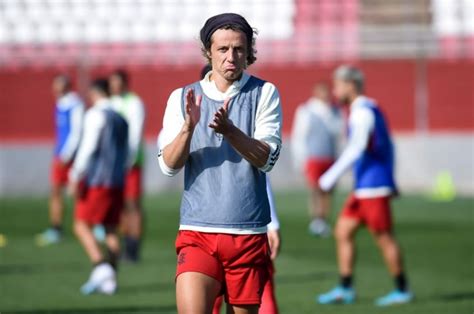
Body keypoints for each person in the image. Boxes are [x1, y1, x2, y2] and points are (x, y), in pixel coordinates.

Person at [158, 13, 282, 314]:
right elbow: (169, 166)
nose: (231, 57)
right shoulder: (182, 97)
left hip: (247, 234)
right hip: (196, 230)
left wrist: (231, 131)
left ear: (249, 51)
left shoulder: (264, 93)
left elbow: (267, 160)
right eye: (223, 49)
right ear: (208, 52)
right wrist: (189, 128)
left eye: (239, 49)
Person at [317, 65, 413, 306]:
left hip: (373, 188)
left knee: (384, 238)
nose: (335, 90)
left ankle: (402, 290)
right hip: (364, 188)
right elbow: (388, 146)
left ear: (351, 84)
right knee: (342, 231)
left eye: (338, 84)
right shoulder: (368, 109)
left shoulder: (363, 112)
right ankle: (345, 288)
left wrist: (329, 177)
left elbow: (357, 148)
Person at [69, 78, 128, 295]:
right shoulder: (122, 118)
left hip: (97, 181)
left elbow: (88, 147)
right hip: (117, 180)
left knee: (81, 224)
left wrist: (76, 174)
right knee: (111, 228)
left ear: (95, 93)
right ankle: (110, 280)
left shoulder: (95, 114)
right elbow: (128, 151)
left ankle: (100, 265)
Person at [213, 176, 281, 314]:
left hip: (241, 228)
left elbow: (261, 170)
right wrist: (272, 224)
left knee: (211, 293)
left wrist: (272, 224)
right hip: (237, 227)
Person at [36, 75, 84, 246]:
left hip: (70, 156)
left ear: (66, 86)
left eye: (58, 85)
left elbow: (76, 132)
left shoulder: (75, 104)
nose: (54, 89)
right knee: (56, 191)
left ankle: (89, 224)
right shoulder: (60, 104)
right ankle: (56, 228)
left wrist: (66, 155)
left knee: (78, 192)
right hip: (60, 154)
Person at [291, 83, 342, 237]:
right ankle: (315, 220)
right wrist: (300, 159)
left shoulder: (334, 111)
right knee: (315, 190)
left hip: (330, 156)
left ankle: (323, 219)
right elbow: (299, 136)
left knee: (328, 190)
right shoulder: (306, 110)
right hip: (313, 157)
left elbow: (338, 134)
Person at [109, 69, 146, 262]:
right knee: (120, 204)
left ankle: (134, 246)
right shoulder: (111, 102)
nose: (114, 86)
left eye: (117, 82)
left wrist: (128, 159)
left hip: (130, 162)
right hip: (114, 163)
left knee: (133, 204)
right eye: (112, 82)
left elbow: (135, 133)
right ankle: (125, 244)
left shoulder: (134, 102)